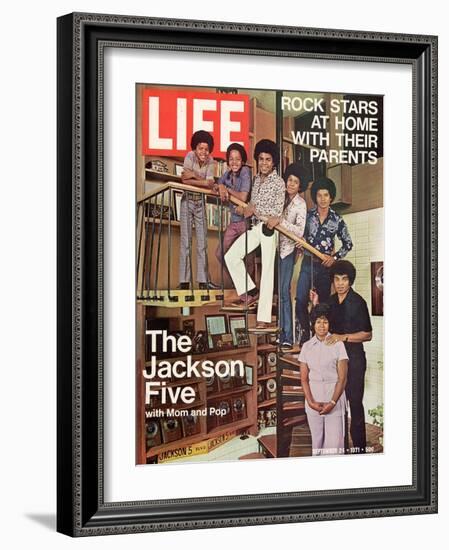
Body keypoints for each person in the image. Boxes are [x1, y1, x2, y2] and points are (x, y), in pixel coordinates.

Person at [310, 260, 373, 454]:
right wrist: (314, 305)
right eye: (336, 279)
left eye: (344, 279)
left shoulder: (359, 302)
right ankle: (341, 450)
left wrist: (343, 337)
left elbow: (368, 334)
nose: (340, 283)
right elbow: (319, 322)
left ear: (350, 281)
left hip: (354, 360)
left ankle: (360, 450)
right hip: (334, 362)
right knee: (336, 406)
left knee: (354, 404)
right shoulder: (329, 302)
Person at [225, 139, 285, 331]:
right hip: (255, 227)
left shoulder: (279, 182)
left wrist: (274, 218)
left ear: (273, 161)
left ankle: (264, 318)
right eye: (261, 159)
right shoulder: (256, 179)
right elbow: (251, 206)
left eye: (268, 159)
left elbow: (278, 211)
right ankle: (251, 292)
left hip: (269, 229)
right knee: (231, 256)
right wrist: (247, 210)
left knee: (267, 272)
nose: (264, 163)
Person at [295, 176, 353, 344]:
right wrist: (300, 245)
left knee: (323, 306)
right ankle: (306, 334)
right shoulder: (308, 216)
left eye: (326, 195)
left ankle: (320, 339)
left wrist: (334, 258)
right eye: (319, 195)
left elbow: (348, 244)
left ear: (331, 197)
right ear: (315, 197)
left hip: (325, 268)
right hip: (307, 263)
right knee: (300, 300)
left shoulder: (337, 220)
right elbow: (299, 235)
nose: (322, 199)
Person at [264, 162, 309, 350]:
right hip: (271, 247)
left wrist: (281, 222)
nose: (291, 184)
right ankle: (281, 332)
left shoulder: (301, 204)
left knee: (284, 292)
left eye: (295, 182)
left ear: (300, 186)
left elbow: (299, 231)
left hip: (287, 251)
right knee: (275, 292)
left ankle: (287, 336)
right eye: (289, 180)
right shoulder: (279, 197)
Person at [298, 304, 348, 455]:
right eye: (318, 321)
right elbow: (304, 379)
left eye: (325, 321)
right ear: (313, 323)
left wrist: (332, 402)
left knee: (334, 448)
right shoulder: (306, 347)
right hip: (313, 402)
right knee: (317, 445)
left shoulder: (338, 345)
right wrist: (311, 402)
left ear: (329, 323)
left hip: (334, 400)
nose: (321, 325)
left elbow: (342, 379)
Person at [178, 130, 220, 290]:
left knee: (202, 243)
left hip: (200, 203)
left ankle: (203, 282)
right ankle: (184, 282)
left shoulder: (211, 161)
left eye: (206, 149)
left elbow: (210, 184)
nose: (204, 152)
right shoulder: (189, 156)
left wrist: (193, 177)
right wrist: (202, 180)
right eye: (201, 148)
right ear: (195, 148)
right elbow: (183, 179)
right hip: (186, 202)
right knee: (185, 243)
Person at [215, 143, 254, 280]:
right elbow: (218, 183)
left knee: (248, 258)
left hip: (245, 222)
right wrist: (221, 186)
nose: (234, 162)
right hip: (233, 222)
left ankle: (251, 290)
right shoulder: (227, 174)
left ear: (242, 161)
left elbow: (243, 196)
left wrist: (226, 189)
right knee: (220, 253)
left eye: (238, 159)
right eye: (231, 159)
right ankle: (239, 281)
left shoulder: (245, 171)